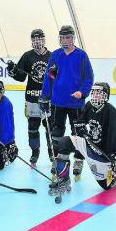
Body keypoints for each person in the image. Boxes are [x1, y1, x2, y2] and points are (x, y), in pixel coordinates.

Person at [39, 25, 94, 180]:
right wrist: (45, 96)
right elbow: (49, 76)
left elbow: (88, 77)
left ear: (73, 38)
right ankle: (58, 159)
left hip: (76, 103)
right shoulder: (56, 55)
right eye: (62, 37)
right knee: (57, 131)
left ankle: (78, 159)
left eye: (68, 37)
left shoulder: (81, 55)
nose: (65, 40)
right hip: (58, 102)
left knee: (78, 131)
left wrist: (82, 92)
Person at [49, 82, 116, 195]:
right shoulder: (88, 105)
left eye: (99, 93)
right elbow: (79, 122)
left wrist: (114, 155)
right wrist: (81, 129)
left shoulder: (111, 111)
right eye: (94, 93)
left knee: (106, 185)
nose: (95, 96)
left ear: (105, 96)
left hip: (102, 153)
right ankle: (63, 179)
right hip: (89, 145)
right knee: (63, 143)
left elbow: (115, 135)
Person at [6, 29, 53, 165]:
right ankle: (35, 153)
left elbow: (58, 77)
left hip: (48, 99)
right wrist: (12, 70)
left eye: (39, 38)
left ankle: (52, 153)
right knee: (32, 127)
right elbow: (21, 77)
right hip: (32, 98)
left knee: (49, 127)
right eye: (34, 39)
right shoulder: (27, 56)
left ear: (44, 40)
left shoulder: (52, 56)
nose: (37, 41)